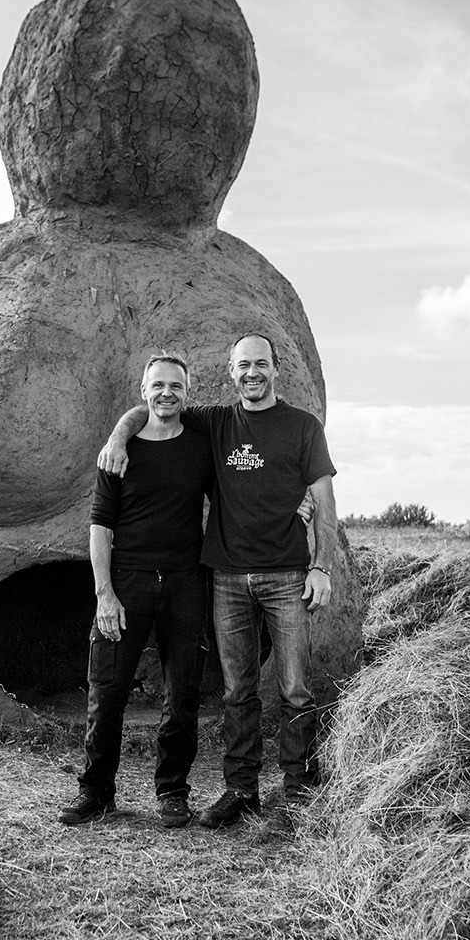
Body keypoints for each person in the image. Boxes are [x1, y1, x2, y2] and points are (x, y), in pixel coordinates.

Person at [99, 333, 338, 830]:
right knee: (238, 691)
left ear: (276, 370)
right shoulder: (215, 422)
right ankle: (241, 792)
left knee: (295, 688)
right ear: (230, 372)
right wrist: (118, 437)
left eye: (261, 364)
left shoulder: (303, 427)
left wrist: (322, 566)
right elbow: (154, 409)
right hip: (227, 576)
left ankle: (297, 792)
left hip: (287, 573)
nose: (252, 373)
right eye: (243, 365)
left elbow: (325, 503)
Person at [59, 353, 214, 829]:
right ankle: (96, 791)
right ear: (143, 390)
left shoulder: (201, 447)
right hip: (127, 584)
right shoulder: (117, 455)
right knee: (106, 691)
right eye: (158, 385)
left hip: (187, 583)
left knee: (181, 695)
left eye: (176, 386)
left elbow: (239, 494)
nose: (167, 393)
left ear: (187, 393)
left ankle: (172, 792)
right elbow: (99, 526)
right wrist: (104, 593)